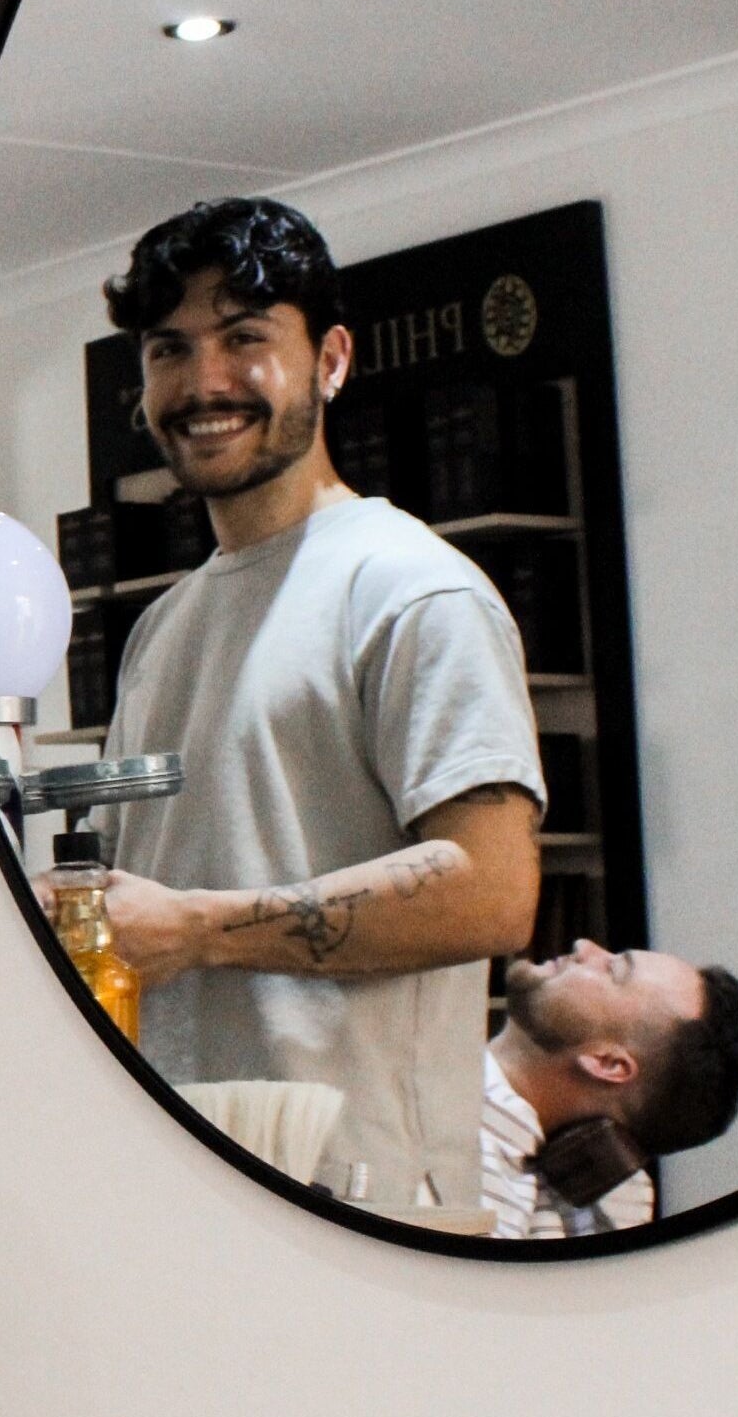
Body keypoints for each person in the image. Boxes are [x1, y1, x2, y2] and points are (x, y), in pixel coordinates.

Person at [93, 197, 544, 1217]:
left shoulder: (413, 591)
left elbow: (493, 890)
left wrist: (199, 928)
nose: (204, 382)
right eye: (170, 349)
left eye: (245, 338)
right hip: (178, 1190)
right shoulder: (161, 628)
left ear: (331, 359)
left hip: (367, 1206)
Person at [483, 940, 738, 1239]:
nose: (584, 947)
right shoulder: (607, 1211)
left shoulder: (472, 1182)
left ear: (608, 1063)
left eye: (613, 969)